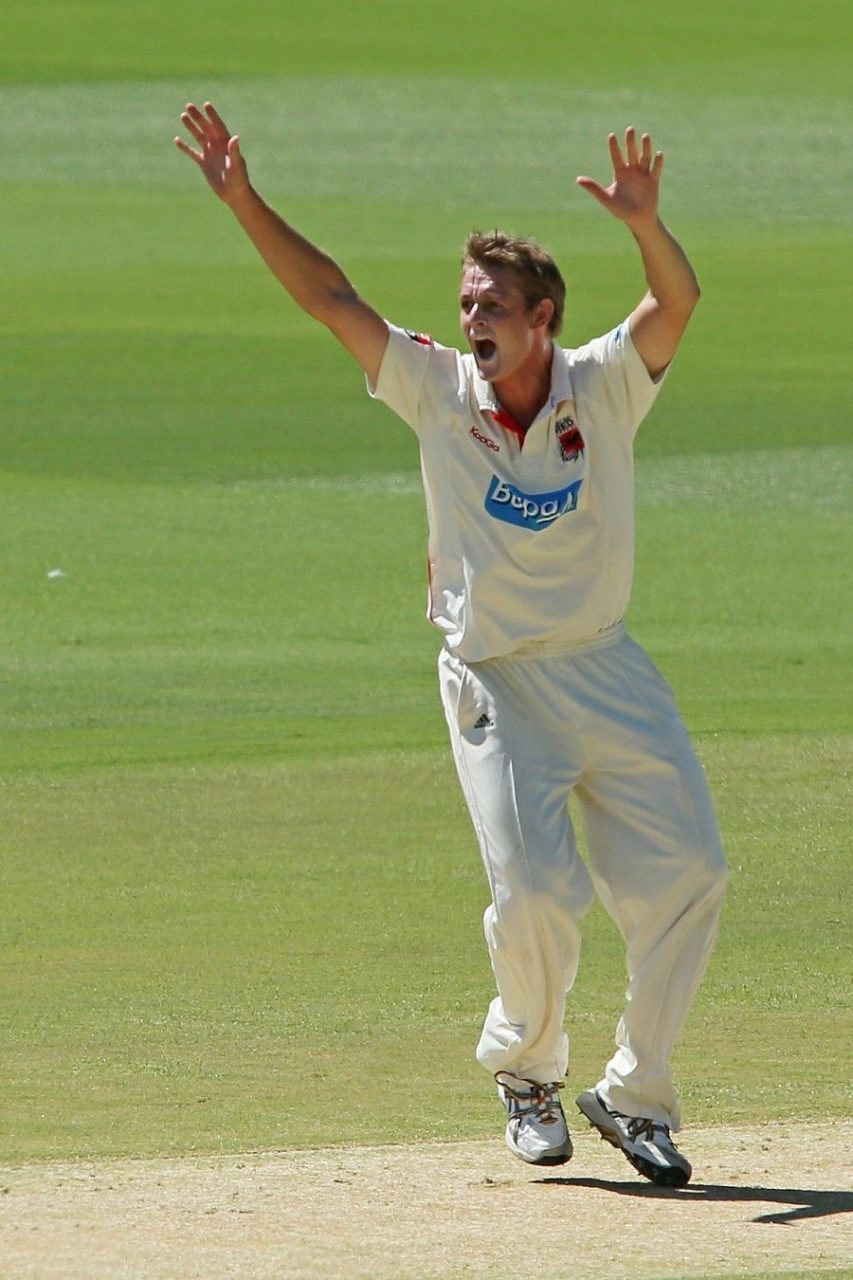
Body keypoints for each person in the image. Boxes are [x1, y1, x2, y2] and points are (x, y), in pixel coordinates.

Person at [176, 103, 727, 1189]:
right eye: (464, 302)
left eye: (490, 304)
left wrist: (645, 224)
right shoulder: (437, 388)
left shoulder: (604, 383)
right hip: (496, 679)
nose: (470, 317)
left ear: (543, 315)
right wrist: (244, 199)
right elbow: (332, 297)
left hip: (606, 664)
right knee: (533, 892)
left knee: (692, 872)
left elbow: (677, 300)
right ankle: (527, 1069)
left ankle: (633, 1091)